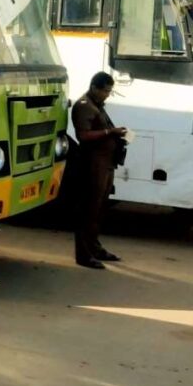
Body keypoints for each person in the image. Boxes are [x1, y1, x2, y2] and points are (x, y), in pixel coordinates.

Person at [70, 71, 127, 269]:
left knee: (100, 208)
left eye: (110, 91)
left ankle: (95, 247)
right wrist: (110, 132)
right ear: (94, 87)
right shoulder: (85, 106)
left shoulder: (97, 106)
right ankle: (84, 254)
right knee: (89, 209)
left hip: (106, 164)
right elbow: (83, 136)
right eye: (105, 91)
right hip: (93, 164)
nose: (107, 95)